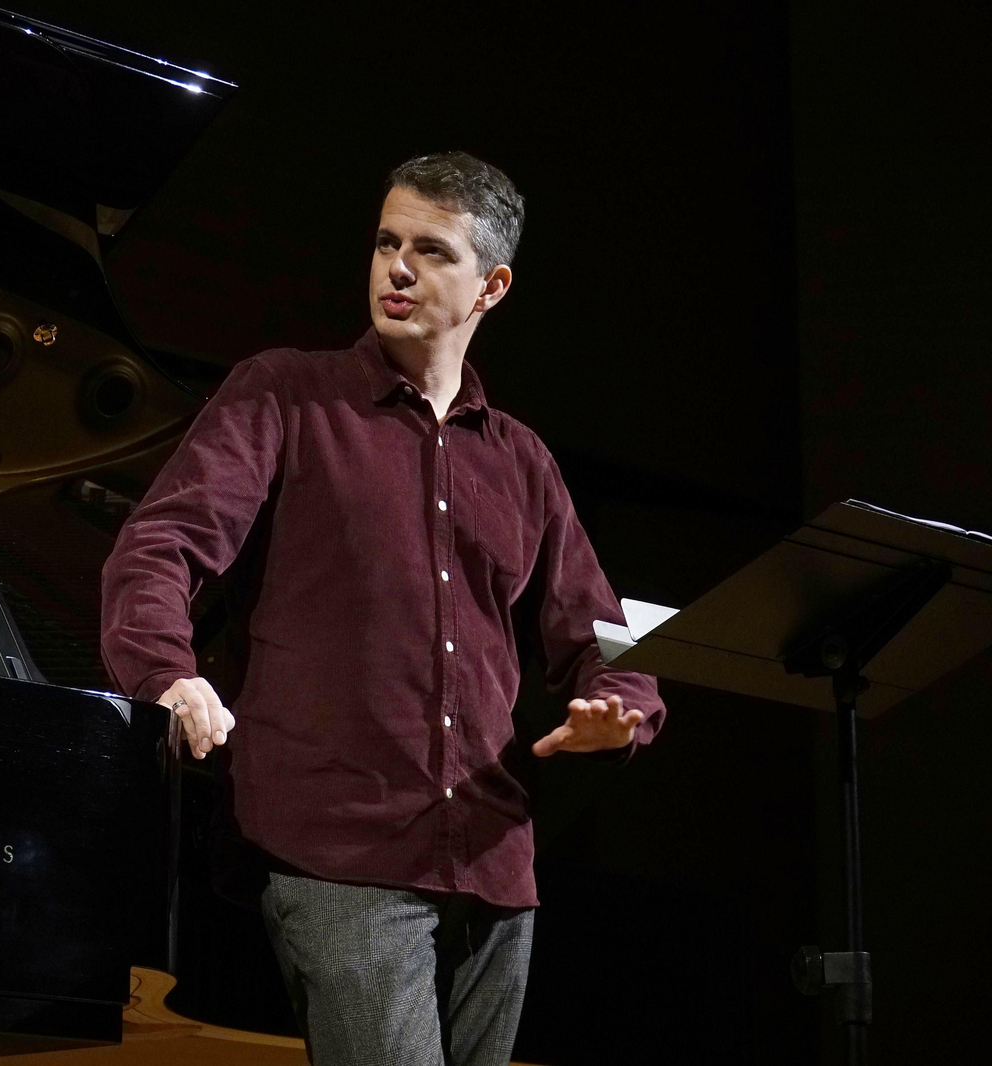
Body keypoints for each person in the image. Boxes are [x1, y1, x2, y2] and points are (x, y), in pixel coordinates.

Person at [100, 150, 665, 1066]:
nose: (397, 267)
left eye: (433, 251)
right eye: (385, 242)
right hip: (339, 851)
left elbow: (604, 634)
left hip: (491, 860)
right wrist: (168, 674)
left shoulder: (522, 460)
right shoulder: (285, 392)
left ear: (492, 286)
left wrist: (625, 713)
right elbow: (159, 546)